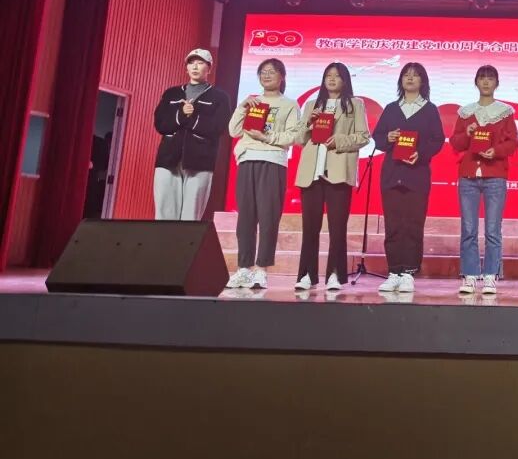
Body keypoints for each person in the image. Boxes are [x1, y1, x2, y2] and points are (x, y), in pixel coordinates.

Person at [293, 62, 370, 291]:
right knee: (310, 228)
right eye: (328, 75)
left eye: (337, 76)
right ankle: (307, 275)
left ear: (345, 80)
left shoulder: (355, 104)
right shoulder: (312, 105)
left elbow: (363, 136)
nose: (332, 79)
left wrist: (340, 141)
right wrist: (309, 122)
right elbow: (299, 139)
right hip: (311, 174)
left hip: (338, 173)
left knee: (337, 228)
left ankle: (335, 274)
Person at [226, 58, 300, 290]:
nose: (266, 75)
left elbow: (295, 136)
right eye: (263, 72)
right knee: (245, 218)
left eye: (272, 72)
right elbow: (233, 131)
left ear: (282, 77)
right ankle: (243, 268)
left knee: (268, 217)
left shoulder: (289, 104)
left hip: (273, 161)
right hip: (247, 159)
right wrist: (242, 107)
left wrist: (267, 138)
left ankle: (261, 270)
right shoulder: (252, 102)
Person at [372, 62, 445, 294]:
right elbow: (378, 137)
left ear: (423, 81)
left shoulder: (430, 109)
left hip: (417, 175)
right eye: (406, 75)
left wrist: (420, 154)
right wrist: (389, 137)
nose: (410, 78)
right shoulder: (392, 108)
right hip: (392, 175)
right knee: (393, 225)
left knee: (413, 224)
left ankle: (409, 273)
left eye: (415, 75)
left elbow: (437, 140)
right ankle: (394, 271)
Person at [449, 65, 518, 295]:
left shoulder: (505, 112)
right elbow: (455, 143)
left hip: (495, 175)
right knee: (468, 228)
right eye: (482, 78)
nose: (486, 82)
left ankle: (490, 276)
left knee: (492, 229)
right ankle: (469, 275)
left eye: (490, 78)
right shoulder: (465, 112)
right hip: (468, 176)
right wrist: (466, 133)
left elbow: (513, 143)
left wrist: (495, 151)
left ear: (497, 83)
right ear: (476, 82)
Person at [152, 48, 231, 221]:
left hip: (200, 161)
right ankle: (163, 240)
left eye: (200, 63)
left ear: (209, 68)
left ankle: (187, 240)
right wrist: (181, 114)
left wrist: (192, 117)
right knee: (164, 213)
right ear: (186, 67)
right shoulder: (171, 93)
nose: (195, 67)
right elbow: (161, 124)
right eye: (191, 63)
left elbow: (219, 127)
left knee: (191, 216)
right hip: (167, 159)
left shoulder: (220, 97)